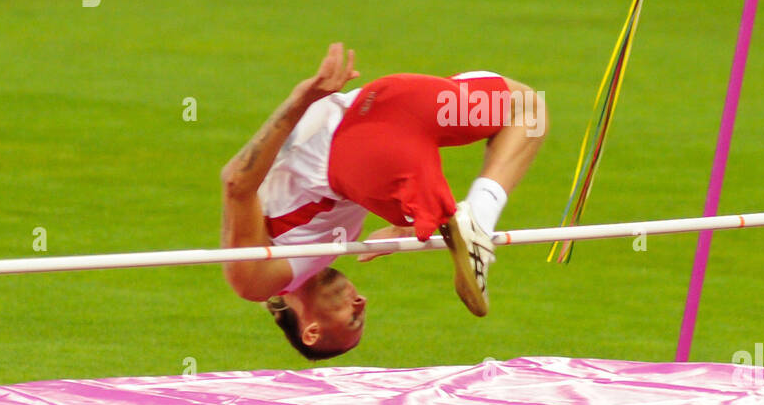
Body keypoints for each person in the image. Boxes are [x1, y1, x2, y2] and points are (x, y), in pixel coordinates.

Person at [220, 43, 548, 361]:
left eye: (354, 319)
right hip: (393, 98)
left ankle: (454, 217)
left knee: (429, 206)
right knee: (527, 108)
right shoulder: (330, 244)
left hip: (360, 146)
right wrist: (400, 227)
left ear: (311, 332)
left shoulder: (255, 282)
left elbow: (235, 182)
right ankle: (480, 211)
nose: (361, 302)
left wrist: (300, 100)